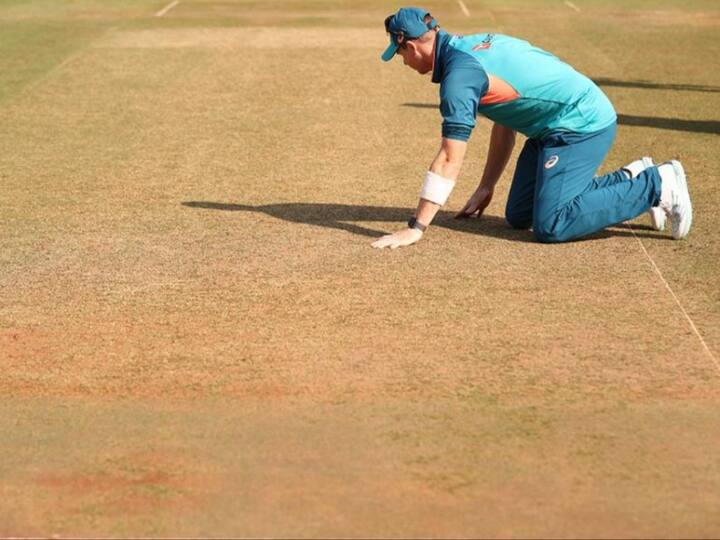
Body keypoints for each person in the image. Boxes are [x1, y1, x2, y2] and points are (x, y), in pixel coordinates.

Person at [371, 7, 692, 250]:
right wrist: (487, 184)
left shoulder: (458, 77)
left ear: (411, 47)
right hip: (551, 128)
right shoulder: (467, 46)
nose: (402, 61)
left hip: (580, 124)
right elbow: (505, 120)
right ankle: (630, 176)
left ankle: (656, 185)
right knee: (519, 214)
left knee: (552, 223)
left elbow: (448, 159)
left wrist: (417, 227)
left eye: (399, 53)